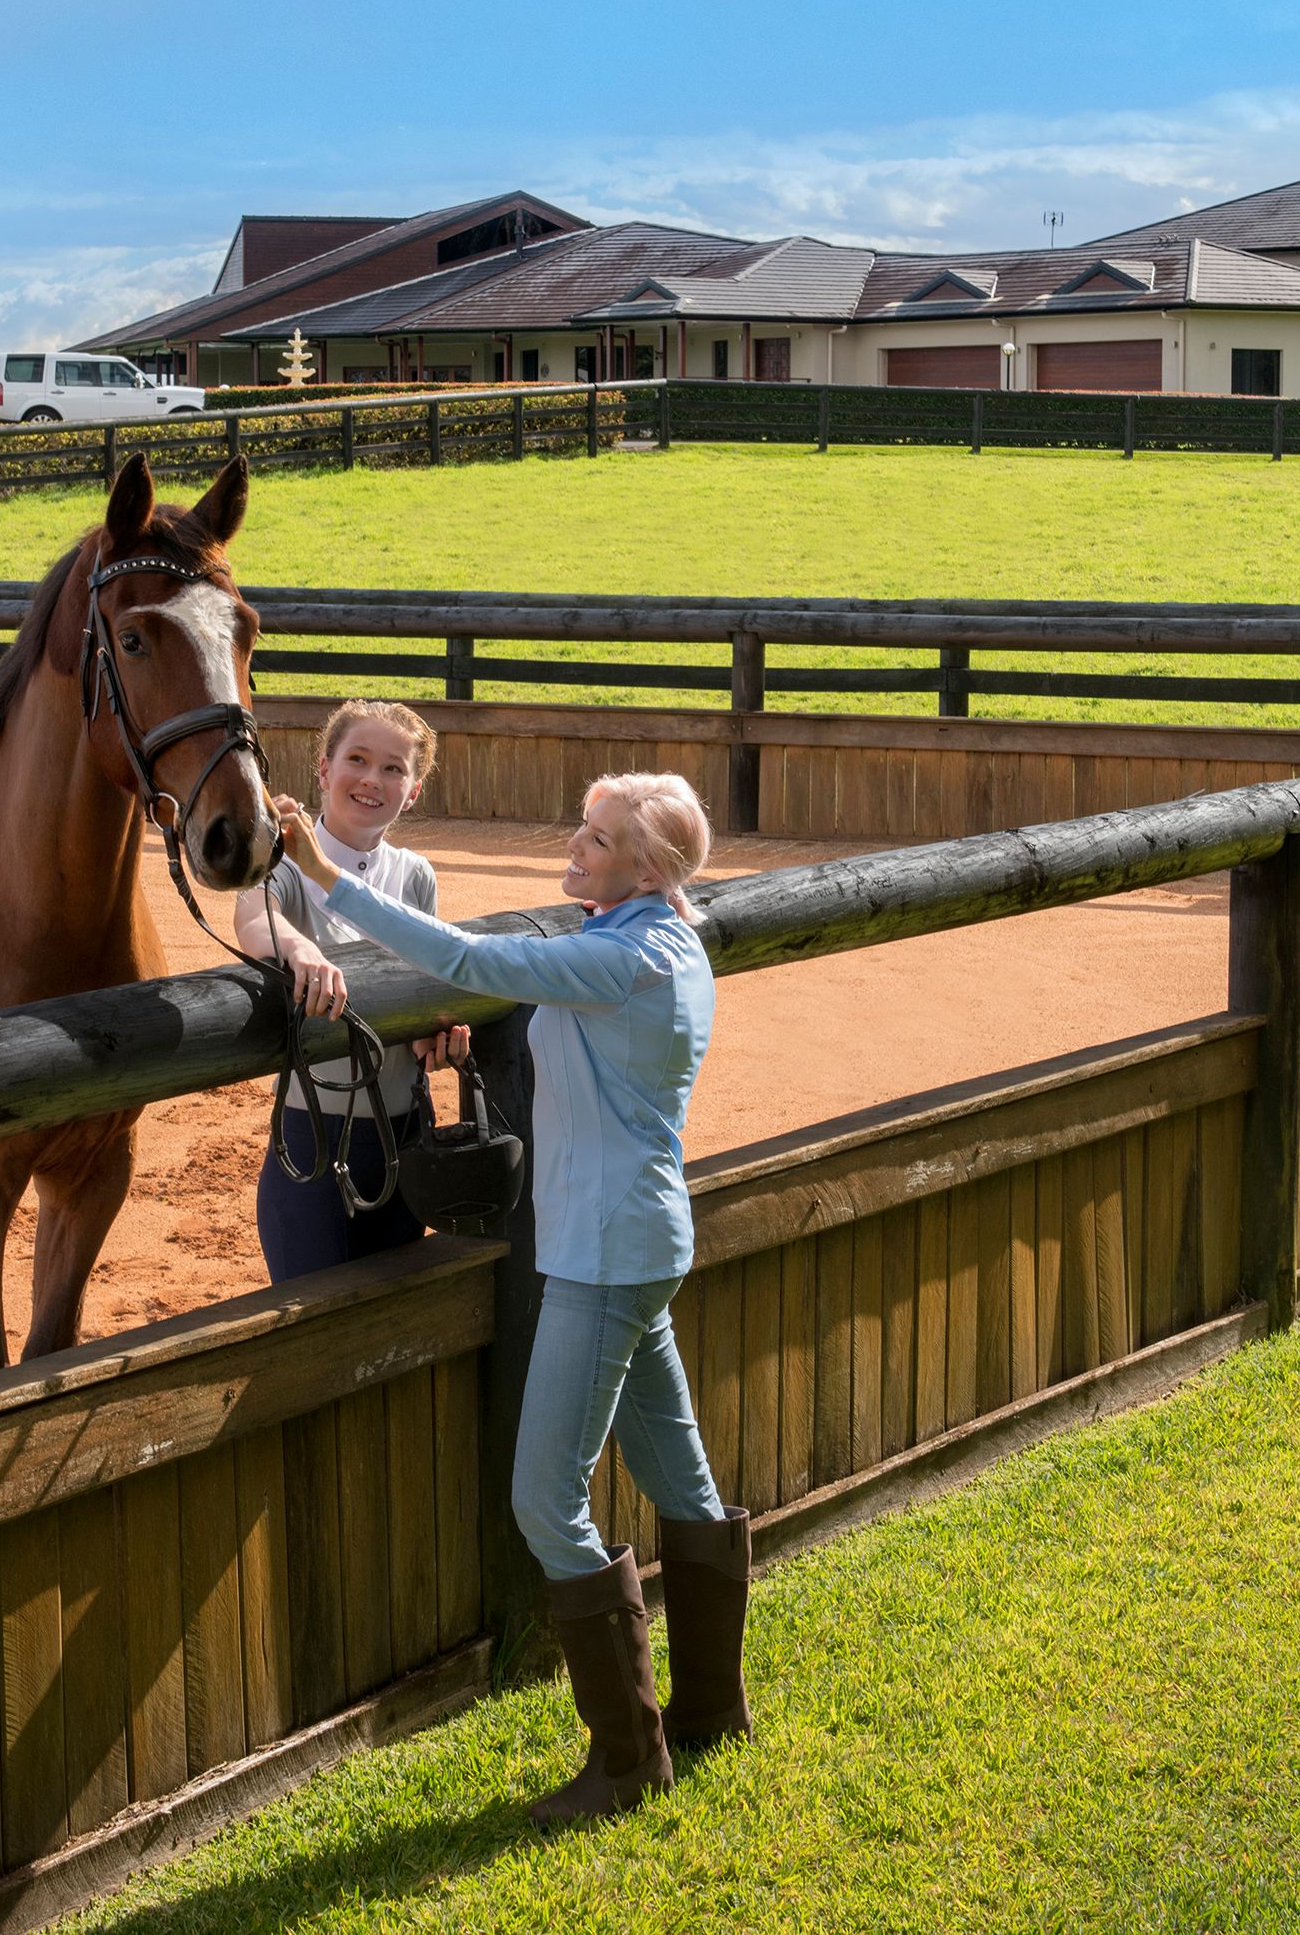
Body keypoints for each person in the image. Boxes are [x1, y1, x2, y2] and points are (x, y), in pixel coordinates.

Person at [267, 770, 749, 1827]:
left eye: (597, 838)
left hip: (602, 1253)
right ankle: (713, 1713)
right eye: (582, 827)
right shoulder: (662, 938)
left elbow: (467, 959)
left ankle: (628, 1760)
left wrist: (324, 880)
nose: (574, 846)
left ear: (647, 871)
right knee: (680, 1476)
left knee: (544, 1503)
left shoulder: (619, 957)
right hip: (638, 1241)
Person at [233, 701, 460, 1281]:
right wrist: (298, 948)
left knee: (392, 1306)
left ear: (412, 791)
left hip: (405, 1129)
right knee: (311, 1307)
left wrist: (433, 1035)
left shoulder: (415, 875)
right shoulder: (286, 860)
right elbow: (254, 917)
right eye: (356, 759)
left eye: (393, 768)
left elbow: (423, 986)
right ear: (324, 769)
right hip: (313, 1133)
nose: (371, 779)